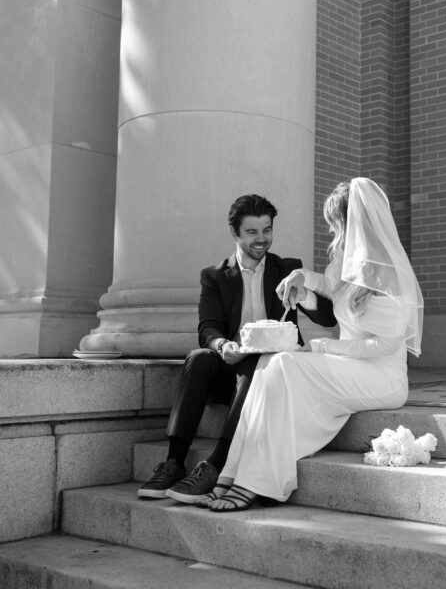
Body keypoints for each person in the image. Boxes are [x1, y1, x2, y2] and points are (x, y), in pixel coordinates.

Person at [200, 176, 424, 511]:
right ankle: (234, 472)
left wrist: (324, 347)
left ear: (354, 225)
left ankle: (258, 482)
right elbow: (330, 287)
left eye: (336, 225)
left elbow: (383, 347)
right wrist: (302, 278)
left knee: (287, 363)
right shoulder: (347, 260)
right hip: (350, 365)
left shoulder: (389, 274)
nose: (333, 233)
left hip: (382, 376)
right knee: (270, 362)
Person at [137, 192, 336, 503]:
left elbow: (327, 318)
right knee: (198, 358)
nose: (262, 239)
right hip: (231, 365)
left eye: (267, 230)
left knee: (260, 364)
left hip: (270, 372)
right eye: (252, 232)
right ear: (234, 233)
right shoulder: (215, 276)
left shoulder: (288, 269)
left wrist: (306, 295)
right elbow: (207, 329)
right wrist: (222, 345)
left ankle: (216, 464)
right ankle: (174, 461)